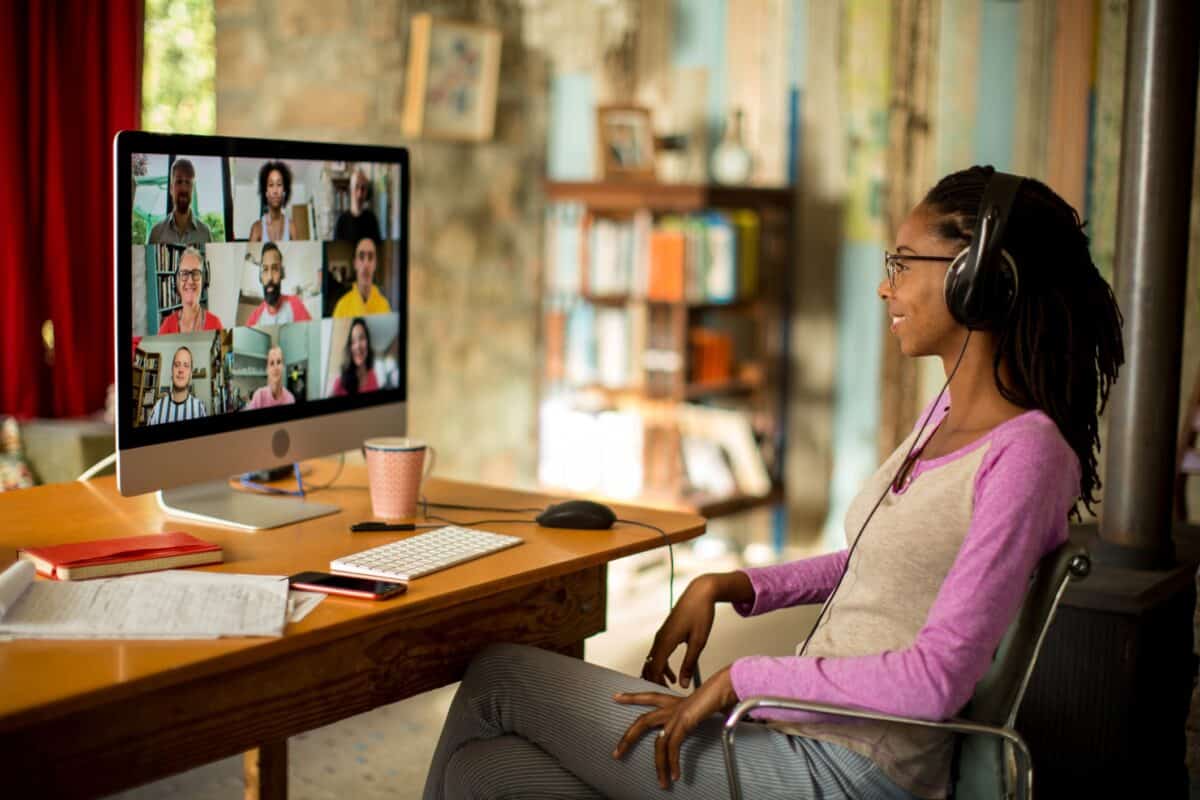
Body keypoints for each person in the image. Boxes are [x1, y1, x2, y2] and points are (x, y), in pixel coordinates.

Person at [421, 166, 1126, 800]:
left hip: (848, 772)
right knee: (481, 775)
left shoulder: (1028, 457)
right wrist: (734, 586)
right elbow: (883, 569)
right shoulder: (946, 409)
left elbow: (936, 680)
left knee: (500, 676)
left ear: (980, 278)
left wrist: (745, 676)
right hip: (797, 741)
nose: (886, 285)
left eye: (903, 262)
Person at [158, 247, 223, 334]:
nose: (190, 281)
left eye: (196, 273)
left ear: (204, 280)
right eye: (184, 273)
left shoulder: (215, 323)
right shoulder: (167, 325)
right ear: (177, 281)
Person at [149, 159, 213, 245]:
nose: (183, 188)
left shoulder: (205, 233)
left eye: (188, 182)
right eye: (179, 181)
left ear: (192, 189)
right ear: (171, 189)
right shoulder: (156, 233)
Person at [245, 243, 312, 326]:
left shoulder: (295, 304)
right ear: (260, 277)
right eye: (265, 269)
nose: (270, 277)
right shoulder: (254, 319)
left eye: (275, 269)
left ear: (282, 274)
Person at [146, 346, 208, 424]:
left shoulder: (199, 408)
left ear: (191, 374)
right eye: (177, 365)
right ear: (172, 370)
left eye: (186, 365)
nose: (181, 370)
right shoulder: (158, 408)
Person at [332, 237, 391, 317]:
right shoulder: (341, 306)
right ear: (355, 263)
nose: (366, 264)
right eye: (361, 257)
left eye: (370, 257)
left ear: (375, 264)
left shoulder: (385, 306)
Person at [249, 160, 298, 243]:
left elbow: (298, 255)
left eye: (279, 184)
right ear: (266, 192)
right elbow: (249, 256)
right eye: (271, 185)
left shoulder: (291, 226)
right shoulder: (257, 228)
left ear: (284, 191)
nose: (275, 191)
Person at [330, 317, 379, 396]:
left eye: (362, 338)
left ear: (368, 342)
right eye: (353, 341)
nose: (358, 346)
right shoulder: (340, 382)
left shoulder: (373, 375)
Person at [333, 167, 382, 245]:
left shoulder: (372, 219)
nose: (359, 194)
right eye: (356, 187)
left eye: (363, 188)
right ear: (350, 189)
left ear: (366, 192)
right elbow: (336, 253)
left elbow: (377, 249)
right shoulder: (341, 221)